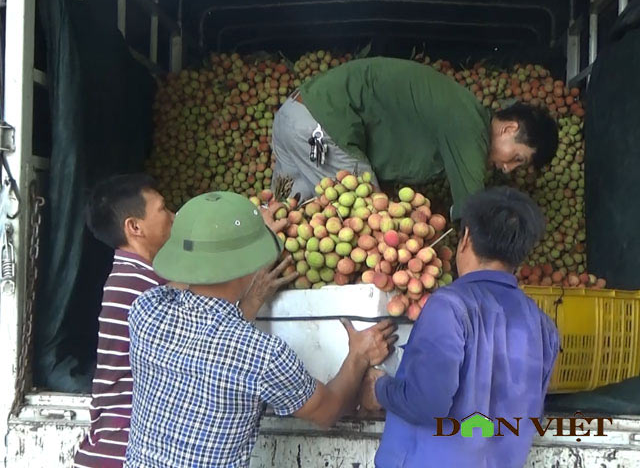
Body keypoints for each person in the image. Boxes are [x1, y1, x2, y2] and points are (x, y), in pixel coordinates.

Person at [124, 191, 397, 468]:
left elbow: (206, 339)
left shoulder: (145, 311)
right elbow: (326, 411)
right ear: (249, 264)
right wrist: (358, 357)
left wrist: (251, 294)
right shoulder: (262, 355)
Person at [74, 175, 294, 468]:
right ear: (134, 227)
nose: (174, 216)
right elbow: (210, 346)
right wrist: (246, 242)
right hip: (119, 452)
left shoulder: (140, 278)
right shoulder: (143, 290)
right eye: (163, 209)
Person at [360, 187, 560, 468]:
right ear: (520, 255)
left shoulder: (450, 307)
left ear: (466, 238)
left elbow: (426, 402)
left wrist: (378, 388)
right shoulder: (544, 326)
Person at [272, 57, 559, 219]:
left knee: (283, 215)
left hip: (293, 118)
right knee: (370, 223)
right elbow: (473, 210)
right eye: (517, 158)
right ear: (509, 128)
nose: (509, 169)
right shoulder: (470, 126)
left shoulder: (462, 111)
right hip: (322, 129)